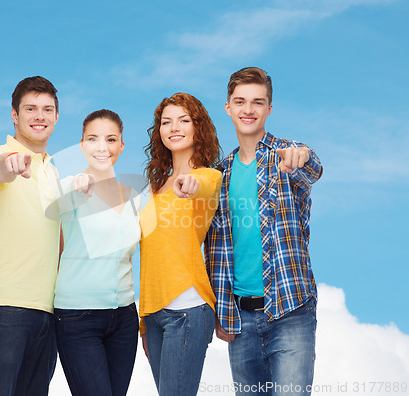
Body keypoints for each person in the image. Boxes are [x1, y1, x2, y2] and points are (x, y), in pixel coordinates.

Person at [205, 67, 323, 396]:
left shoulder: (286, 155)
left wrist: (302, 157)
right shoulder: (220, 175)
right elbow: (215, 251)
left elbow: (312, 167)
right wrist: (220, 311)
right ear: (228, 107)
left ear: (269, 109)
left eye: (258, 102)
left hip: (291, 309)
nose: (248, 109)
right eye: (240, 102)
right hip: (240, 318)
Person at [0, 76, 60, 396]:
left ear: (56, 117)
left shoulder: (55, 171)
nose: (40, 116)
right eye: (31, 109)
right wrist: (9, 165)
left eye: (47, 109)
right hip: (4, 306)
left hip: (48, 312)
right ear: (14, 115)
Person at [139, 92, 222, 396]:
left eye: (184, 120)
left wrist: (191, 183)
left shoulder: (208, 177)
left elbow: (205, 186)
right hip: (154, 312)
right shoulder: (153, 187)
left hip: (188, 309)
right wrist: (145, 321)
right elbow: (149, 254)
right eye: (166, 122)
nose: (174, 127)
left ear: (198, 127)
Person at [54, 109, 140, 396]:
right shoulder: (71, 186)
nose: (102, 147)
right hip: (78, 318)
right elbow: (58, 203)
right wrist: (77, 188)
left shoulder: (134, 198)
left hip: (125, 319)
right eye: (93, 139)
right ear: (81, 145)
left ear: (121, 146)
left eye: (110, 139)